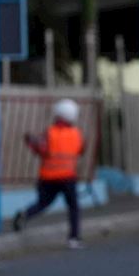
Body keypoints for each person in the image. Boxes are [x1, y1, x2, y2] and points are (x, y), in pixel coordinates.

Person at [12, 98, 86, 248]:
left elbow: (41, 149)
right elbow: (81, 150)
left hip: (47, 177)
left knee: (43, 203)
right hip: (68, 178)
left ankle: (25, 214)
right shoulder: (76, 134)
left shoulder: (49, 133)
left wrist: (31, 141)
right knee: (73, 207)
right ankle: (74, 239)